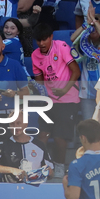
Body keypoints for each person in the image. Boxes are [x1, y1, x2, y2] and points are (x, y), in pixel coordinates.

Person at [32, 23, 81, 179]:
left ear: (51, 37)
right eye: (38, 40)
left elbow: (76, 71)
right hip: (49, 101)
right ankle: (41, 166)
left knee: (60, 137)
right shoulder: (35, 55)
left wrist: (65, 90)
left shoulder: (62, 47)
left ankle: (60, 167)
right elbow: (39, 81)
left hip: (68, 100)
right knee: (42, 136)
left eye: (44, 39)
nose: (41, 43)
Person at [0, 109, 53, 182]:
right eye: (12, 124)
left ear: (26, 124)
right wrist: (12, 170)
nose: (15, 127)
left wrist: (48, 170)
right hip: (11, 189)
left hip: (35, 189)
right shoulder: (3, 145)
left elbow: (51, 172)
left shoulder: (39, 145)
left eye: (18, 123)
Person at [70, 9, 100, 119]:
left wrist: (95, 21)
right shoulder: (82, 44)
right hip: (86, 92)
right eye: (92, 27)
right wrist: (86, 24)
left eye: (97, 27)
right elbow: (72, 38)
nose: (94, 29)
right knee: (89, 124)